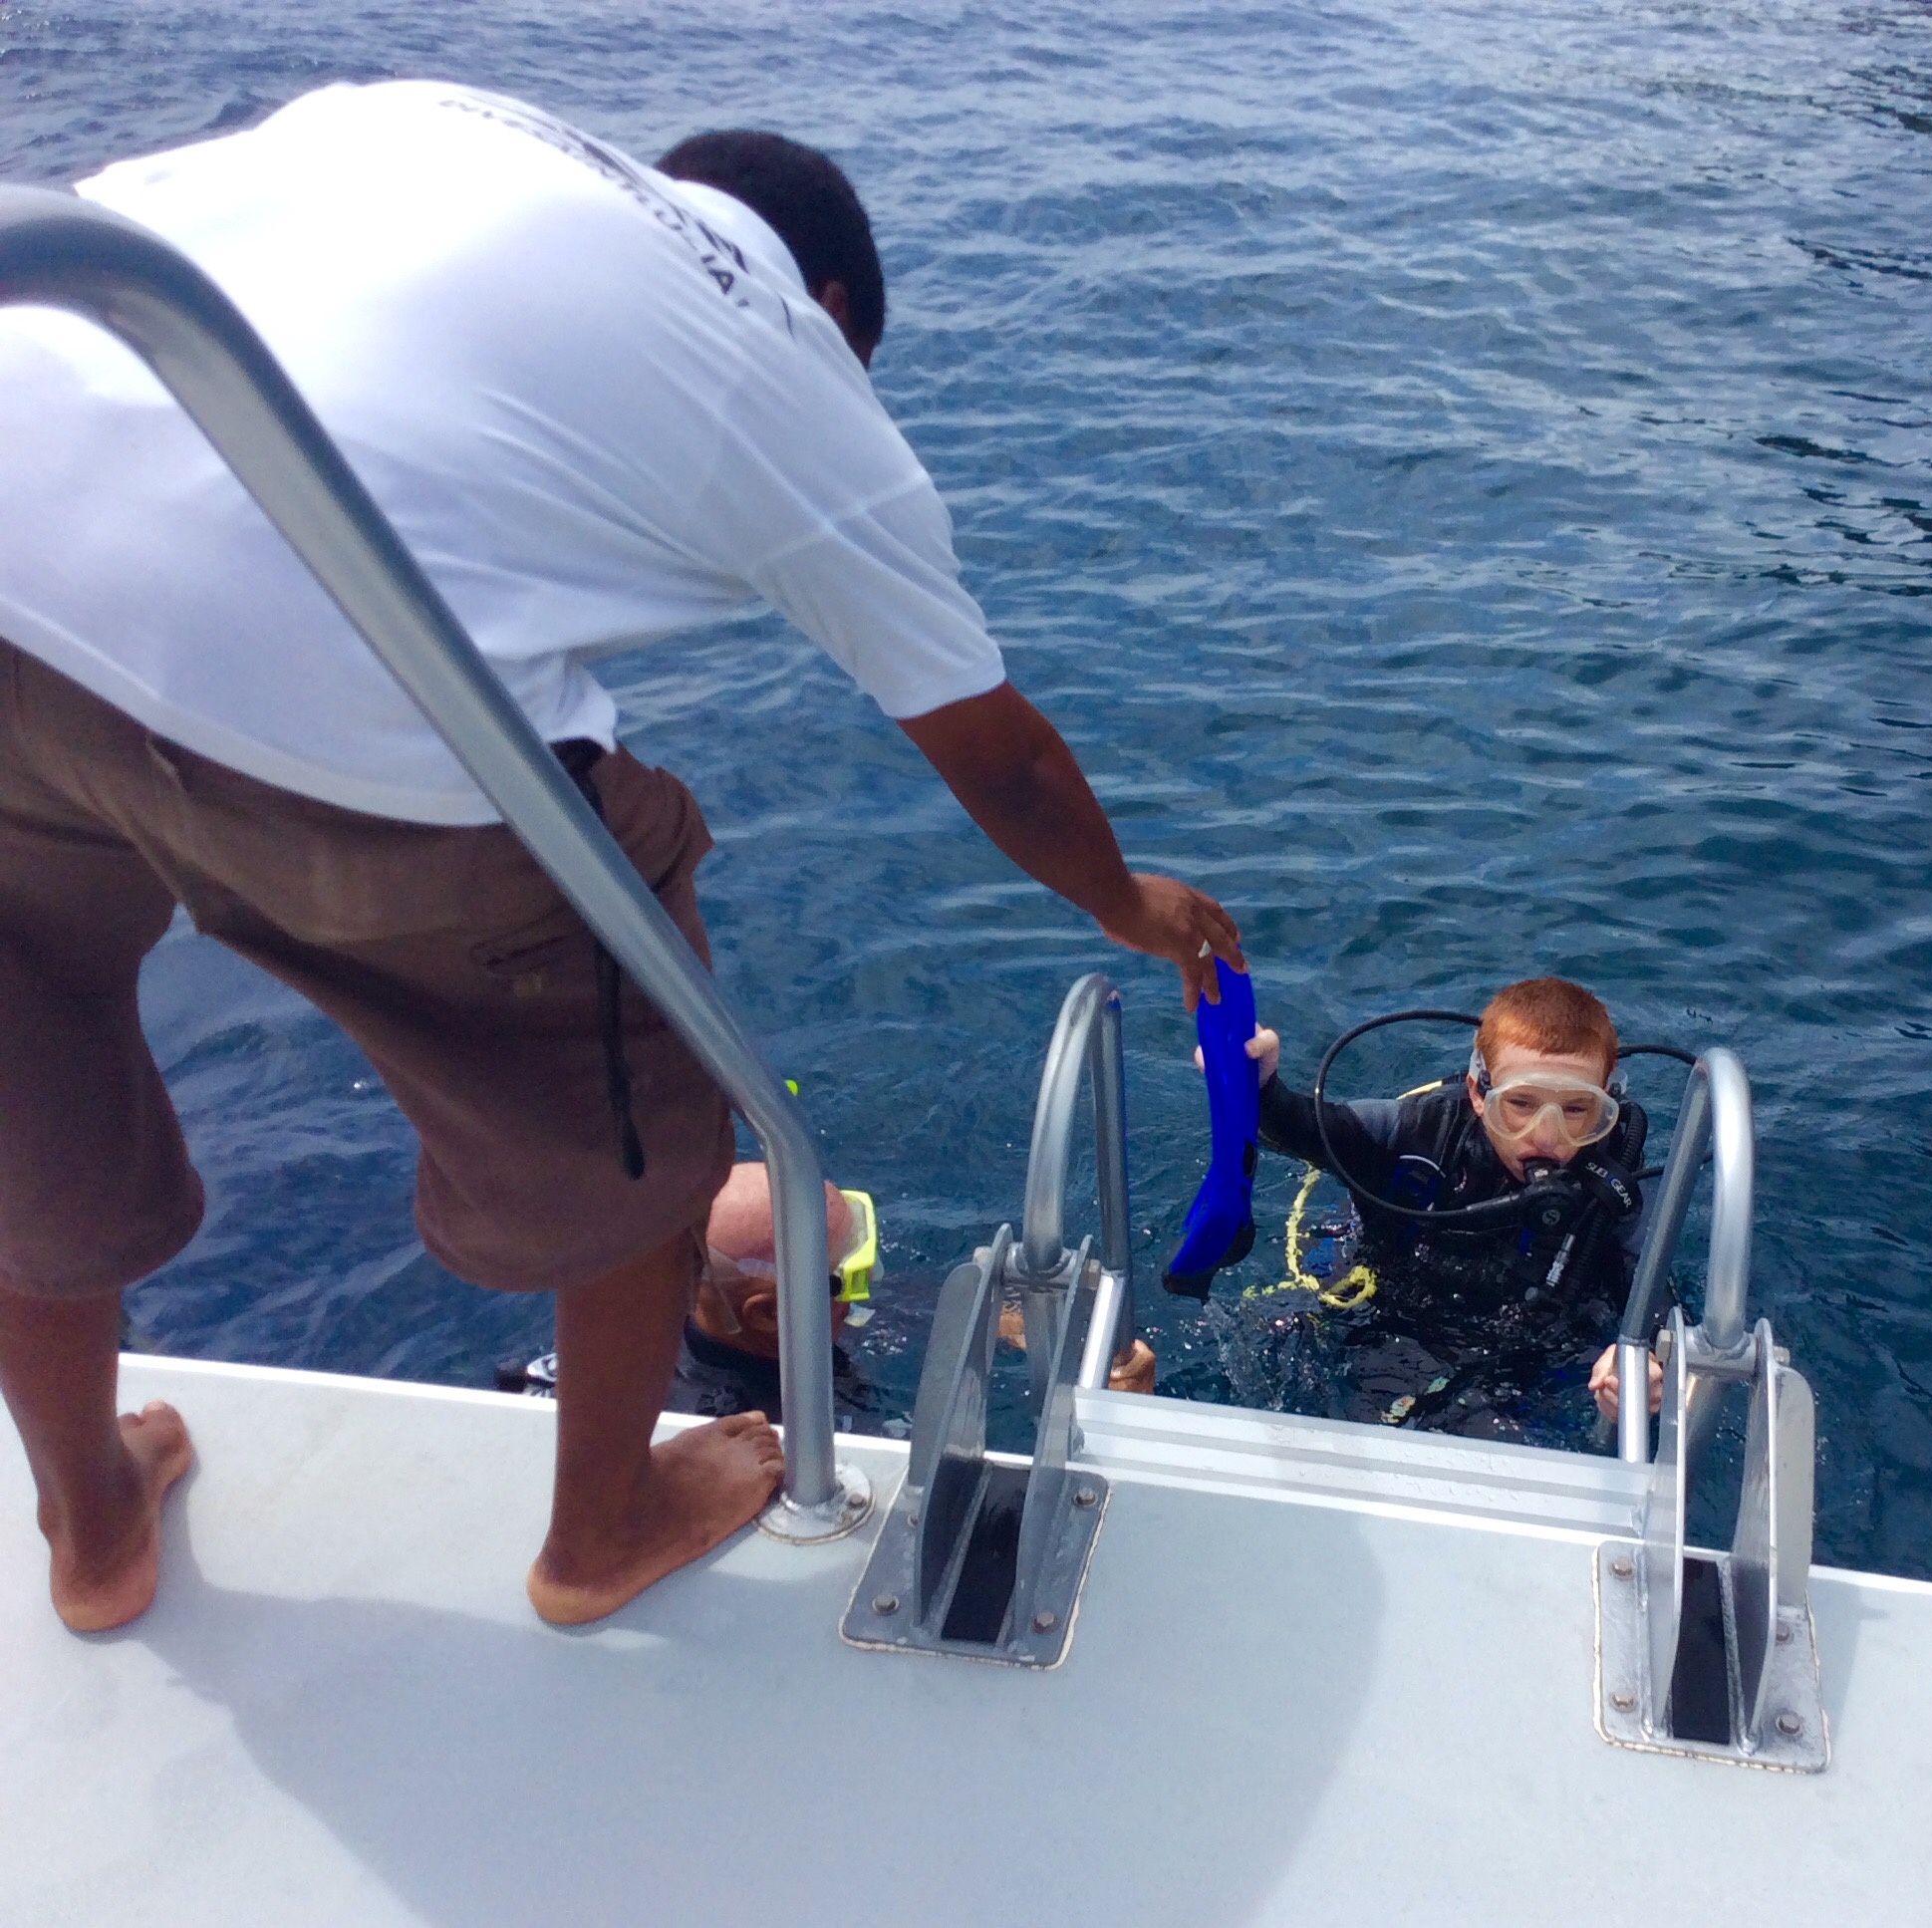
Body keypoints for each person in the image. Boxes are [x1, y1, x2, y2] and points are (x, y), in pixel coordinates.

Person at [0, 84, 1241, 1633]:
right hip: (326, 685)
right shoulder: (786, 358)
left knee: (25, 1071)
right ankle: (601, 1525)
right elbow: (1000, 753)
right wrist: (1128, 901)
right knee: (657, 1083)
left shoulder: (428, 120)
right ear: (837, 304)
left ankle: (88, 1513)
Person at [1231, 977, 1667, 1442]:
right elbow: (1299, 1126)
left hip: (1527, 1354)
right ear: (1480, 1093)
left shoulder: (1619, 1190)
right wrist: (1257, 1084)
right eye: (1520, 1104)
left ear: (1608, 1103)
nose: (1547, 1135)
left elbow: (1660, 1315)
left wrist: (1642, 1372)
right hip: (1385, 1312)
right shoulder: (1421, 1132)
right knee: (1271, 1338)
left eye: (1578, 1110)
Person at [503, 1162, 1156, 1423]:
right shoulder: (736, 1425)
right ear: (775, 1313)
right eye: (853, 1272)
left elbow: (959, 1316)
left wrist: (1071, 1350)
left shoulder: (705, 1319)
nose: (869, 1286)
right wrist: (1114, 1421)